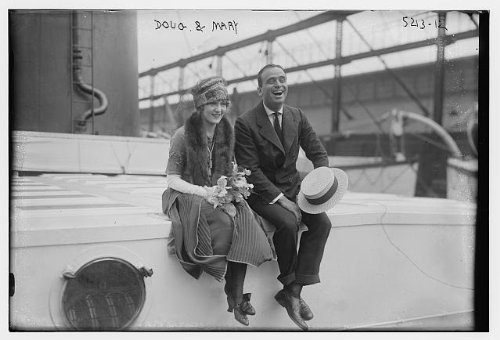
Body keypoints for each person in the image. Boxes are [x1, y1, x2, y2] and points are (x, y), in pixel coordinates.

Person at [162, 76, 274, 326]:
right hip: (187, 193)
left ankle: (235, 294)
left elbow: (228, 168)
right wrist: (206, 193)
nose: (219, 109)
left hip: (218, 191)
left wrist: (233, 185)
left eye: (223, 104)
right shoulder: (182, 136)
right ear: (200, 106)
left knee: (245, 219)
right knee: (226, 224)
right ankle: (236, 297)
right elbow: (172, 180)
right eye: (213, 103)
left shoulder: (226, 133)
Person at [234, 64, 333, 330]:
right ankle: (289, 286)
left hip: (294, 188)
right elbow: (250, 171)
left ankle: (294, 290)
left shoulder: (296, 116)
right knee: (288, 223)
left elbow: (317, 152)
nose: (278, 85)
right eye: (271, 81)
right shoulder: (245, 123)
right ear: (259, 90)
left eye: (282, 79)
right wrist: (282, 200)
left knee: (322, 223)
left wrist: (319, 183)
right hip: (261, 192)